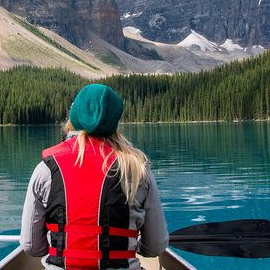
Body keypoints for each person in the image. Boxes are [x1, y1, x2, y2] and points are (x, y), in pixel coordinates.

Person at [20, 84, 169, 270]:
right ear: (114, 121)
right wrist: (135, 246)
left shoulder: (46, 169)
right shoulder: (138, 170)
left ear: (74, 118)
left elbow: (32, 246)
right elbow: (155, 247)